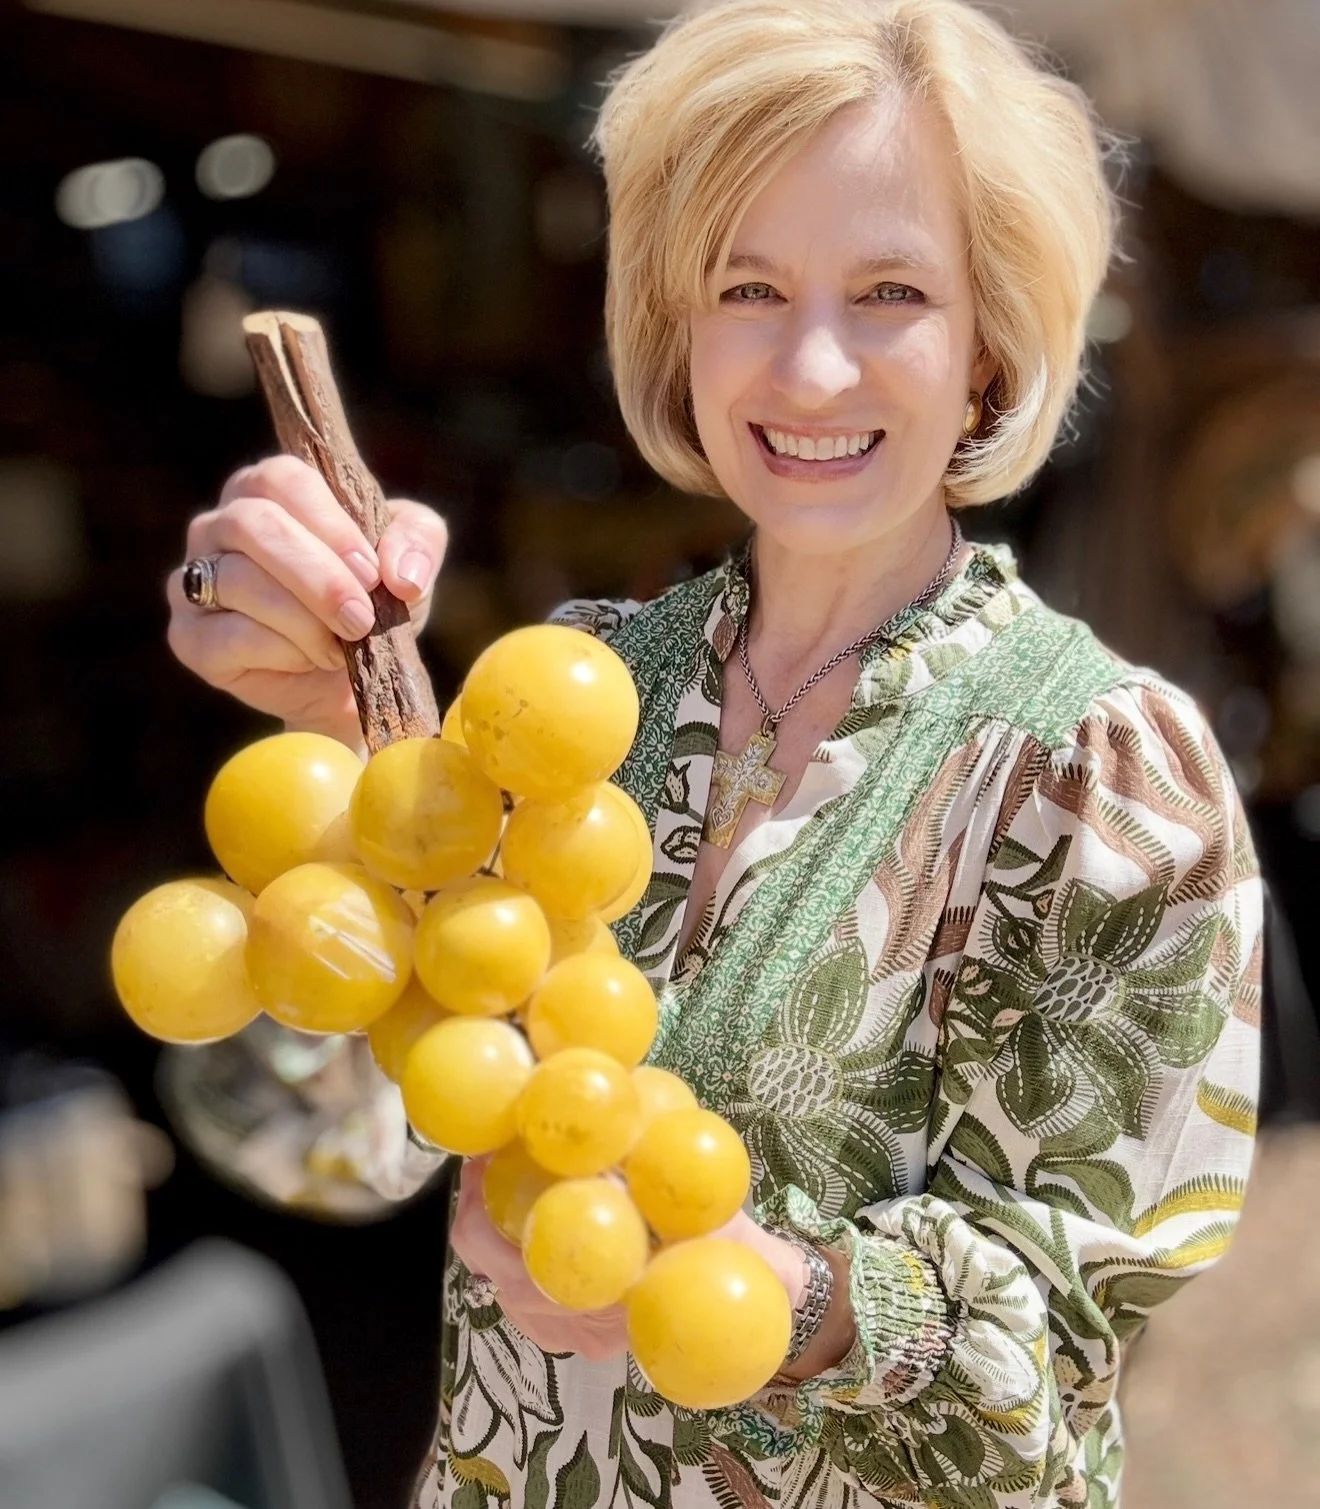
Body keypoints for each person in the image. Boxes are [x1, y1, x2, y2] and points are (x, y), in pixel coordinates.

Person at [166, 1, 1263, 1504]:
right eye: (750, 287)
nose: (810, 370)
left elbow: (1064, 1359)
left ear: (992, 343)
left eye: (890, 293)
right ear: (677, 327)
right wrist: (332, 771)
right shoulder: (569, 694)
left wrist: (787, 1307)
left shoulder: (1103, 774)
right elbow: (332, 1151)